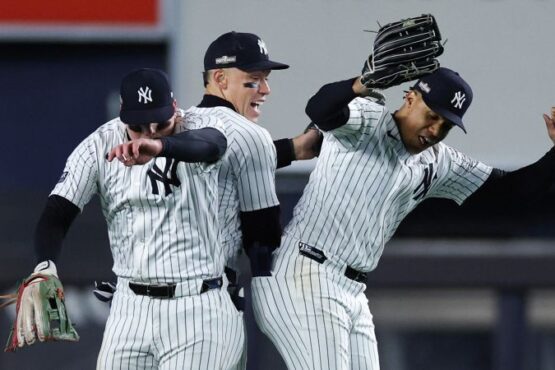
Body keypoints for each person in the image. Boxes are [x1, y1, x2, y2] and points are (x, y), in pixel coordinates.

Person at [251, 67, 555, 369]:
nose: (436, 130)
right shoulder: (368, 118)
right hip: (304, 273)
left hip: (352, 291)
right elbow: (321, 108)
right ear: (410, 98)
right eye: (432, 116)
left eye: (447, 124)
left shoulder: (439, 160)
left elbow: (509, 193)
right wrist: (362, 82)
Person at [13, 68, 245, 369]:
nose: (149, 133)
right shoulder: (99, 145)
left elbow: (213, 144)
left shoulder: (199, 124)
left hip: (199, 306)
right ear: (122, 113)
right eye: (138, 127)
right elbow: (57, 212)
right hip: (130, 307)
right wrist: (45, 264)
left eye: (160, 124)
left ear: (174, 108)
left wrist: (160, 146)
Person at [185, 31, 321, 368]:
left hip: (146, 298)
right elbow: (263, 233)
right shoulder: (249, 136)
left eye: (265, 79)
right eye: (254, 80)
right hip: (207, 307)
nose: (265, 89)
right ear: (219, 78)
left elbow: (224, 159)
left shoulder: (176, 126)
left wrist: (293, 149)